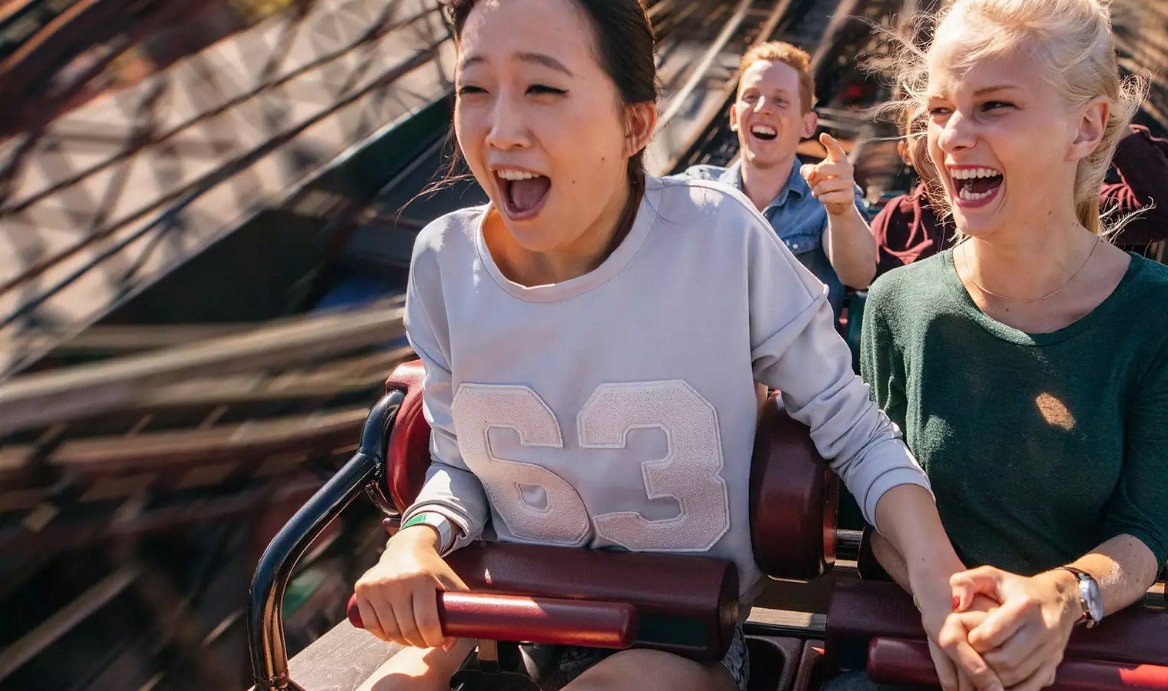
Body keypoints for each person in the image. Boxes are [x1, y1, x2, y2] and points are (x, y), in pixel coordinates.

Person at [349, 2, 998, 690]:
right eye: (473, 89)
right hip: (509, 617)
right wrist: (417, 538)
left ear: (635, 123)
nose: (502, 130)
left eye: (542, 88)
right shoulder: (442, 262)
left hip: (687, 641)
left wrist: (939, 580)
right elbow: (460, 464)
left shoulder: (720, 239)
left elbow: (855, 430)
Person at [842, 0, 1168, 689]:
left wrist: (1060, 598)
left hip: (1083, 660)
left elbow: (1141, 533)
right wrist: (960, 612)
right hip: (914, 652)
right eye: (939, 109)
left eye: (993, 106)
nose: (951, 136)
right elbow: (877, 513)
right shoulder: (898, 303)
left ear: (1086, 126)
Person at [870, 107, 1168, 280]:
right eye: (923, 125)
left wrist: (1109, 121)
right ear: (905, 152)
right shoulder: (897, 218)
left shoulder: (1057, 203)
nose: (945, 136)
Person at [677, 42, 879, 309]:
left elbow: (860, 274)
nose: (763, 108)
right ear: (735, 116)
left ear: (807, 124)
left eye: (780, 100)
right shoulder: (699, 186)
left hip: (795, 350)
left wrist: (840, 211)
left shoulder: (826, 193)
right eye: (751, 96)